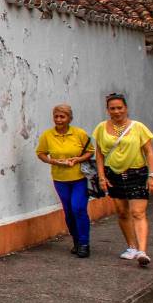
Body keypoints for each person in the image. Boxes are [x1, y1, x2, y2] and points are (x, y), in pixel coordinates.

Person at [93, 93, 153, 268]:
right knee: (122, 212)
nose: (116, 111)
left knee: (138, 212)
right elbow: (99, 154)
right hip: (113, 175)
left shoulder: (138, 127)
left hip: (137, 174)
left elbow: (149, 151)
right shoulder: (101, 128)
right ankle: (132, 247)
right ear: (108, 110)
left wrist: (152, 175)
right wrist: (101, 177)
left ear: (126, 108)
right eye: (112, 108)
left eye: (120, 108)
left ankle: (142, 252)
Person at [36, 104, 94, 257]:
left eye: (62, 117)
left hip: (79, 178)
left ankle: (84, 243)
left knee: (78, 209)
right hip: (60, 179)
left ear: (69, 118)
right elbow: (41, 153)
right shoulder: (47, 135)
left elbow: (90, 151)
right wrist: (52, 161)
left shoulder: (79, 133)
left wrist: (77, 159)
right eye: (56, 116)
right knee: (68, 212)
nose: (59, 120)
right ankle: (76, 241)